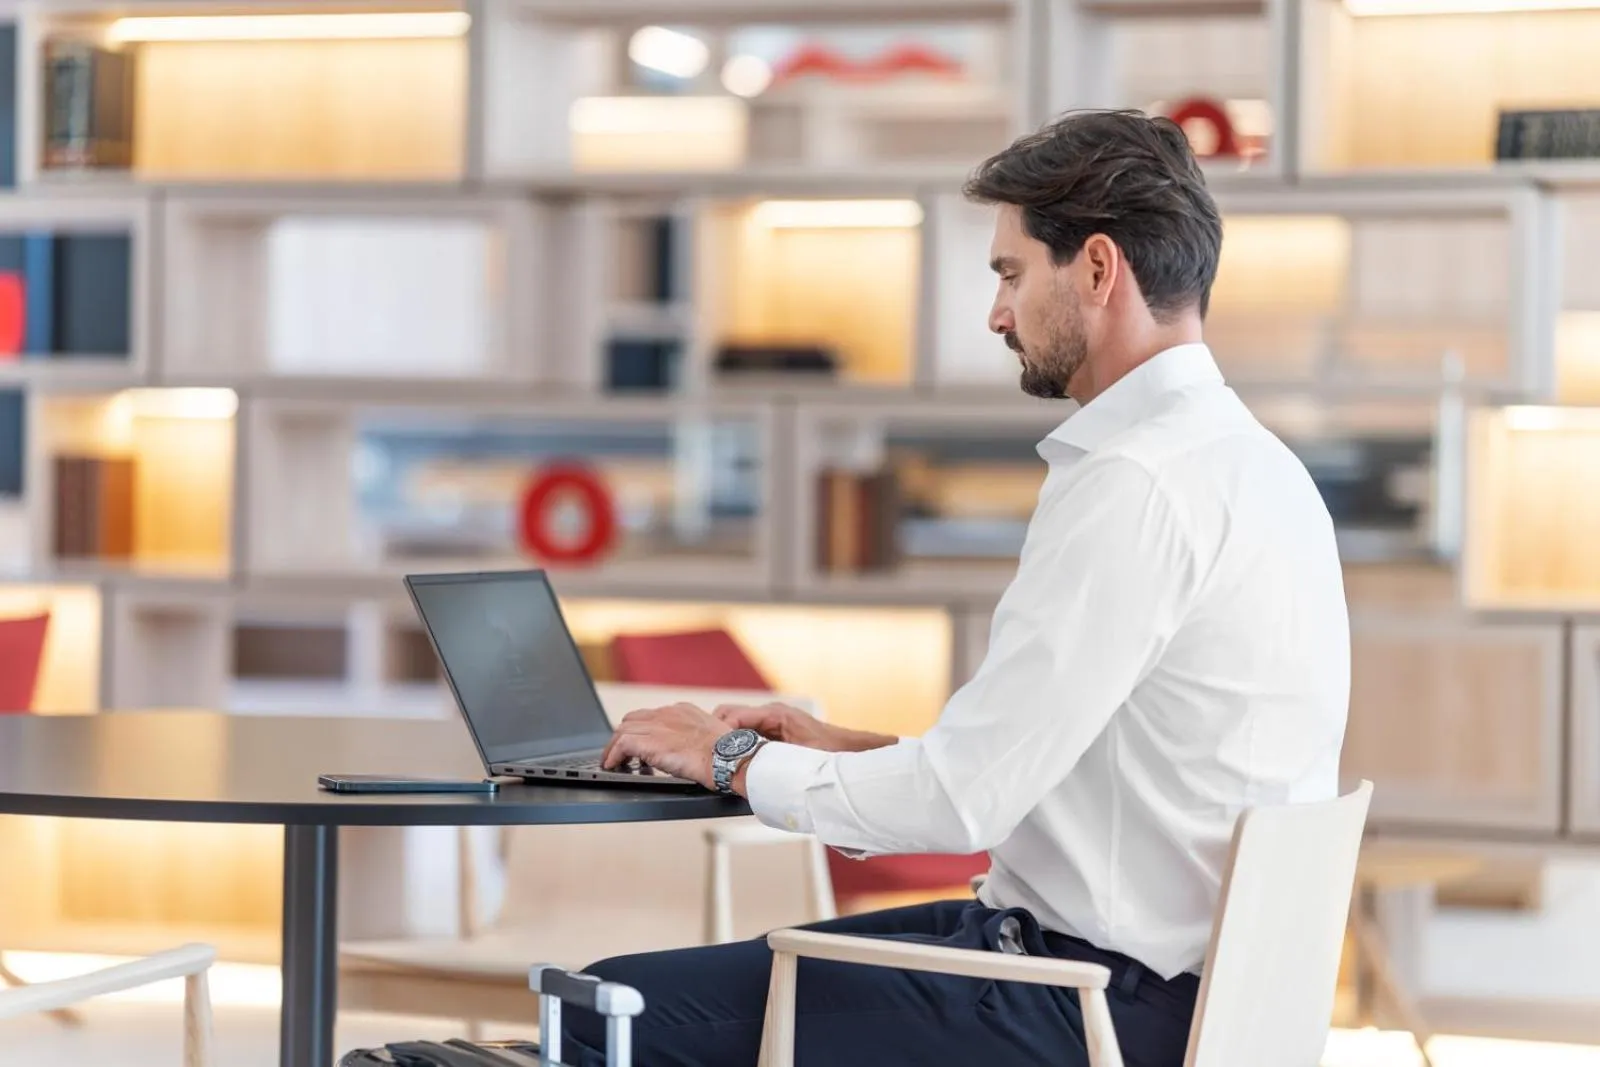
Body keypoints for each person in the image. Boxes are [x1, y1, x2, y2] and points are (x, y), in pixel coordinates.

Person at [573, 108, 1351, 1067]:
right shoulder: (1257, 467)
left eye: (1011, 274)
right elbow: (1064, 768)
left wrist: (728, 753)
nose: (996, 313)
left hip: (1085, 1002)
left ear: (1099, 269)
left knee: (599, 1008)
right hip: (1179, 996)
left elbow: (963, 806)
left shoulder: (1135, 483)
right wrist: (844, 750)